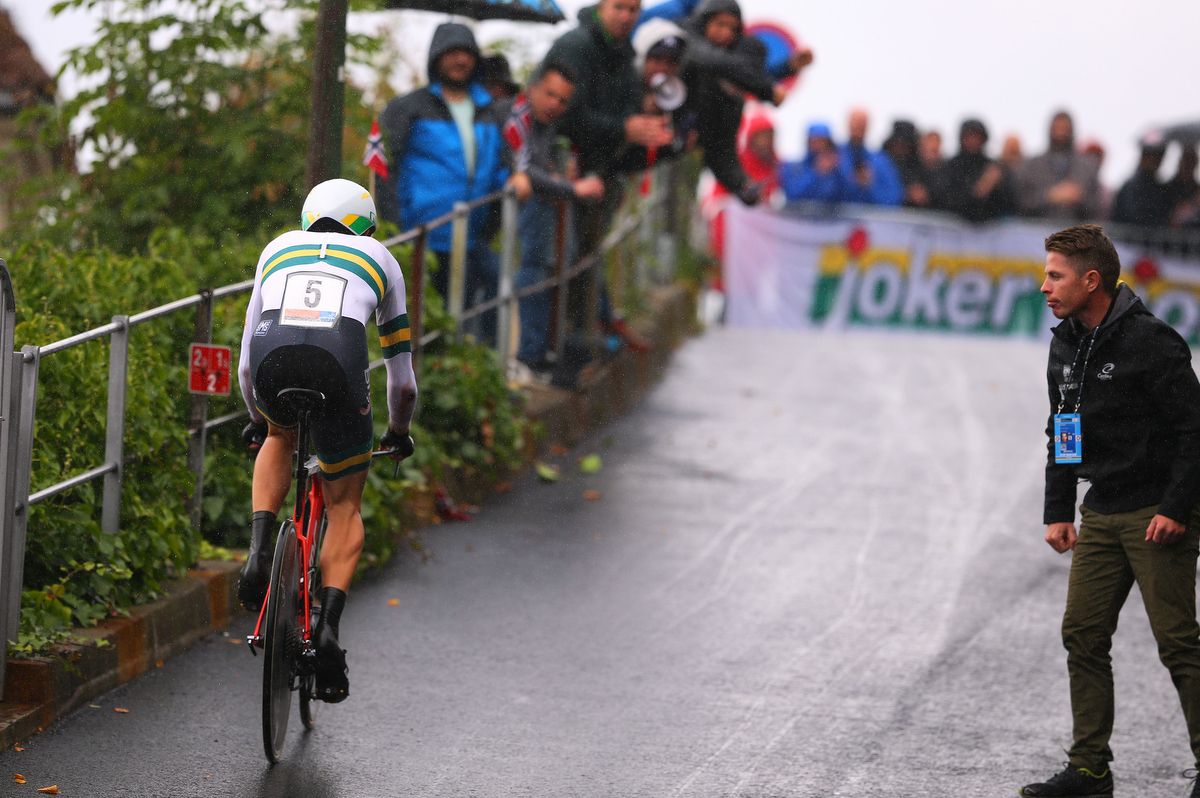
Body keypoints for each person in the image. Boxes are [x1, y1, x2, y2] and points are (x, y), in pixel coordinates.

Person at [1022, 223, 1200, 798]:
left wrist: (1176, 508)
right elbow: (1063, 428)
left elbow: (1193, 431)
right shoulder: (1066, 342)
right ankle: (1090, 770)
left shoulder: (1153, 341)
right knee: (1082, 634)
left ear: (1091, 280)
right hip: (1102, 511)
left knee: (1178, 643)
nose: (1044, 286)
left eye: (1055, 276)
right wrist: (1059, 508)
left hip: (1157, 513)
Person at [237, 178, 418, 703]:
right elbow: (403, 382)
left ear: (307, 217)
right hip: (338, 366)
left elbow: (245, 364)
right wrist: (398, 431)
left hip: (273, 361)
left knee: (279, 435)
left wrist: (258, 418)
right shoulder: (380, 259)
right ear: (367, 227)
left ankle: (257, 551)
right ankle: (328, 629)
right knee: (343, 506)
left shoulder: (277, 248)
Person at [544, 0, 665, 352]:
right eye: (619, 7)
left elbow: (626, 118)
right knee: (561, 261)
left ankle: (584, 340)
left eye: (633, 9)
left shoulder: (625, 55)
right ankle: (559, 346)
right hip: (565, 174)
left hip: (602, 176)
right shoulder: (575, 46)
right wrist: (624, 128)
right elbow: (563, 115)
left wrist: (649, 132)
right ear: (602, 6)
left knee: (585, 260)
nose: (626, 16)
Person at [380, 22, 511, 347]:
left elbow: (499, 166)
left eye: (466, 52)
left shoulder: (489, 111)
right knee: (423, 323)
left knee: (469, 312)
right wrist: (395, 227)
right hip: (424, 235)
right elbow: (385, 169)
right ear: (436, 57)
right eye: (451, 52)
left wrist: (499, 206)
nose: (460, 60)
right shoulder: (409, 107)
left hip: (472, 235)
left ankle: (476, 369)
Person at [504, 61, 605, 377]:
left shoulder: (546, 124)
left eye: (563, 100)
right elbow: (523, 169)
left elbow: (538, 167)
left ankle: (538, 352)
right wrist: (571, 188)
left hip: (535, 209)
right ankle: (529, 354)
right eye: (550, 94)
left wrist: (558, 179)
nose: (555, 104)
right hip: (507, 210)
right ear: (533, 88)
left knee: (548, 270)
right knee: (533, 271)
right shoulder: (518, 117)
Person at [1015, 110, 1101, 220]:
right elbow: (1020, 202)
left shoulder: (1087, 167)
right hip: (1038, 228)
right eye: (1057, 128)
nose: (1060, 133)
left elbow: (1097, 206)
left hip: (1076, 228)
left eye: (1065, 129)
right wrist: (1050, 196)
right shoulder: (1031, 166)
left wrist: (1079, 197)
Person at [933, 118, 1014, 223]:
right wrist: (979, 190)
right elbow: (946, 200)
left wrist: (997, 186)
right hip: (953, 228)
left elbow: (1009, 203)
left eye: (977, 137)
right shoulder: (950, 167)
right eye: (969, 136)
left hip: (990, 229)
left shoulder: (994, 168)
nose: (973, 141)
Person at [839, 107, 903, 206]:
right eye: (855, 123)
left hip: (871, 215)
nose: (858, 127)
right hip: (838, 215)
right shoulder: (833, 158)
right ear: (848, 124)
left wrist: (870, 186)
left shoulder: (882, 162)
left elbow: (894, 198)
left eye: (861, 124)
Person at [780, 122, 847, 203]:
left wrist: (838, 170)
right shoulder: (794, 167)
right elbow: (793, 194)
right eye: (815, 141)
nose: (819, 146)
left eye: (823, 142)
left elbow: (845, 195)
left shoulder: (835, 171)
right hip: (800, 211)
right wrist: (817, 173)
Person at [1111, 136, 1170, 227]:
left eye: (1159, 156)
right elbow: (1132, 216)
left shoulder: (1159, 187)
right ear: (1143, 157)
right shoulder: (1132, 187)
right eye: (1153, 156)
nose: (1157, 161)